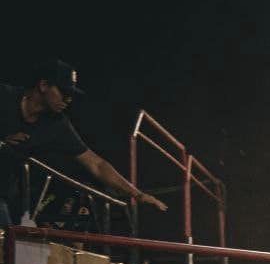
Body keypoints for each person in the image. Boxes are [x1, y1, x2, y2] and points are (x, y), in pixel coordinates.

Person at [1, 60, 168, 226]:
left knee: (11, 235)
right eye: (64, 92)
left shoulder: (57, 124)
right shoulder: (5, 96)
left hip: (5, 192)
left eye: (71, 95)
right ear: (44, 85)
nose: (68, 99)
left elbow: (96, 164)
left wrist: (137, 194)